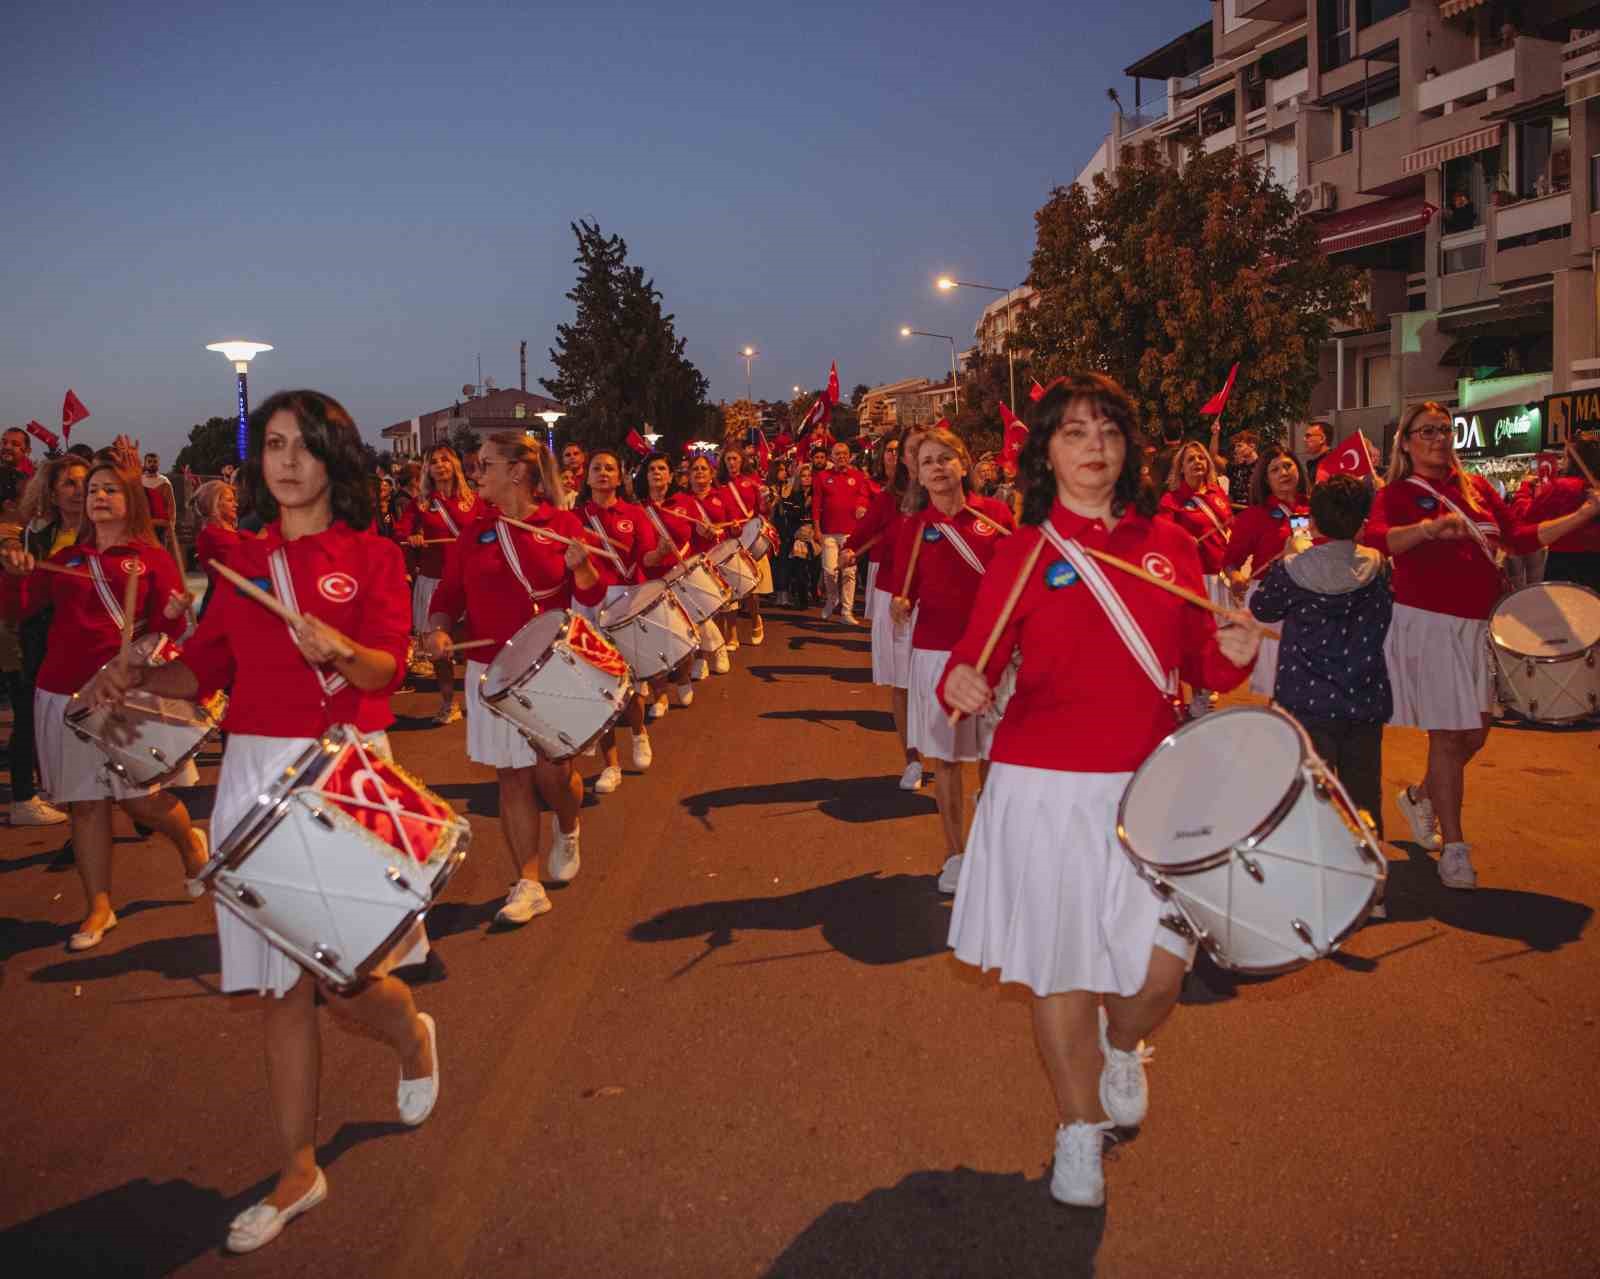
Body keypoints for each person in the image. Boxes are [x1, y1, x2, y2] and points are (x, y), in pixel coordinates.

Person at [84, 389, 439, 1253]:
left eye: (305, 446)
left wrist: (340, 650)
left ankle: (411, 1033)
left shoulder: (374, 553)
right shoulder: (239, 567)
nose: (286, 460)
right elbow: (200, 675)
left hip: (346, 769)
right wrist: (131, 677)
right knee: (280, 989)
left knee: (344, 980)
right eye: (275, 444)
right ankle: (299, 1167)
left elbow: (387, 667)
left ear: (333, 461)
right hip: (251, 774)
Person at [938, 373, 1262, 1208]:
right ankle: (1076, 1126)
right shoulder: (1023, 550)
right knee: (1059, 966)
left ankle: (1124, 1045)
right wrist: (962, 686)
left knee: (1160, 971)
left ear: (1129, 448)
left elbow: (1203, 667)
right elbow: (968, 660)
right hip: (1041, 786)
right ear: (1045, 451)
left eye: (1110, 432)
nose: (1095, 448)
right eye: (1076, 433)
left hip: (1152, 786)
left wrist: (1234, 648)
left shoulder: (1174, 544)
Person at [1364, 402, 1599, 889]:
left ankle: (1422, 796)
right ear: (1405, 442)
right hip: (1428, 624)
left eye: (1444, 430)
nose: (1437, 438)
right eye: (1426, 431)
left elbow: (1518, 538)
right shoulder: (1398, 492)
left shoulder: (1475, 489)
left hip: (1479, 625)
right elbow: (1377, 538)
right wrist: (1427, 530)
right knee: (1449, 736)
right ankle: (1455, 848)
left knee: (1476, 733)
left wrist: (1585, 514)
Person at [1, 458, 208, 949]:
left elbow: (169, 632)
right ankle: (99, 905)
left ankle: (189, 844)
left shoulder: (151, 558)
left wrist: (177, 614)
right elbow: (16, 608)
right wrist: (13, 573)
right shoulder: (68, 558)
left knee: (141, 800)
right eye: (93, 489)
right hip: (63, 693)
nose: (98, 496)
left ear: (129, 499)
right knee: (86, 806)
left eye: (111, 489)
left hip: (124, 693)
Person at [424, 432, 597, 922]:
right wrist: (437, 630)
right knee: (513, 775)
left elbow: (590, 596)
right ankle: (527, 882)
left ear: (517, 472)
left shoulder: (560, 523)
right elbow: (448, 597)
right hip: (492, 669)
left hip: (552, 666)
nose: (476, 475)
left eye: (486, 465)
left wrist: (582, 571)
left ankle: (568, 823)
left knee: (554, 774)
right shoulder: (472, 530)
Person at [889, 426, 1014, 893]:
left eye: (946, 458)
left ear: (964, 464)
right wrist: (901, 607)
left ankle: (989, 846)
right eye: (927, 462)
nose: (938, 468)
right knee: (946, 760)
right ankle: (955, 855)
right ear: (917, 475)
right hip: (938, 654)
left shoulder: (998, 516)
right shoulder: (915, 529)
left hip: (993, 653)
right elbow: (906, 590)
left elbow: (1019, 578)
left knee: (993, 757)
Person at [1249, 474, 1393, 845]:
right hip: (1363, 697)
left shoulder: (1292, 569)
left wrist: (1292, 553)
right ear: (1363, 520)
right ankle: (1372, 887)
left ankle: (1319, 882)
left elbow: (1262, 608)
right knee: (1363, 795)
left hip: (1304, 699)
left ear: (1312, 520)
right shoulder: (1379, 567)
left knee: (1309, 794)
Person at [2, 455, 89, 828]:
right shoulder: (35, 536)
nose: (78, 491)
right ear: (52, 493)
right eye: (68, 483)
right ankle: (30, 798)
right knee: (33, 724)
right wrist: (17, 575)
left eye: (84, 482)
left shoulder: (104, 532)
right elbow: (21, 601)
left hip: (90, 649)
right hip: (41, 645)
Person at [574, 447, 662, 792]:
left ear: (619, 476)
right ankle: (612, 766)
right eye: (597, 468)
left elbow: (649, 558)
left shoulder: (634, 514)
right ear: (587, 475)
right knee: (599, 688)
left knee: (629, 684)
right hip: (587, 604)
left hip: (626, 601)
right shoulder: (575, 516)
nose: (603, 473)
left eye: (610, 468)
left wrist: (663, 553)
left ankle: (639, 732)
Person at [844, 427, 923, 791]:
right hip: (896, 599)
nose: (919, 456)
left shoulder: (949, 498)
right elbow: (862, 533)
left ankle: (956, 757)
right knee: (903, 685)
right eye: (911, 450)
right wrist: (848, 550)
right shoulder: (888, 499)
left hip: (938, 601)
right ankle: (913, 760)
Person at [395, 445, 483, 725]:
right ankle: (448, 702)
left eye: (446, 459)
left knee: (471, 645)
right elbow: (400, 532)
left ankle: (476, 700)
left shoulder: (475, 499)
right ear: (427, 469)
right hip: (433, 581)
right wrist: (414, 538)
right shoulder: (420, 503)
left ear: (455, 464)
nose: (440, 465)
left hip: (470, 582)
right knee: (438, 650)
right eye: (434, 461)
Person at [1222, 445, 1310, 698]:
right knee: (1281, 686)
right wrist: (1235, 577)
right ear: (1265, 479)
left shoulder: (1316, 510)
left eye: (1288, 466)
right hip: (1273, 606)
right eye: (1275, 469)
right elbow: (1230, 562)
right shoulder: (1254, 516)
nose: (1283, 472)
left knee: (1309, 687)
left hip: (1313, 606)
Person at [1158, 440, 1234, 715]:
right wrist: (1182, 539)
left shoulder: (1217, 494)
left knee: (1220, 639)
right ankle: (1199, 696)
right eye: (1191, 460)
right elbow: (1162, 537)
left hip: (1220, 575)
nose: (1198, 463)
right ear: (1181, 468)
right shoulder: (1172, 500)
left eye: (1201, 459)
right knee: (1201, 640)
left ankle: (1206, 690)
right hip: (1195, 578)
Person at [635, 450, 700, 709]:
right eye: (652, 470)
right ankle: (659, 694)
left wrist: (707, 532)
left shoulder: (685, 502)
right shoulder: (638, 509)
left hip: (682, 576)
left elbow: (699, 537)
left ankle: (684, 678)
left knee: (682, 635)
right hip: (651, 579)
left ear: (671, 475)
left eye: (662, 469)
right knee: (653, 641)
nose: (657, 473)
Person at [667, 454, 737, 671]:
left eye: (703, 469)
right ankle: (707, 654)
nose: (699, 472)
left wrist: (733, 528)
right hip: (693, 562)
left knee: (713, 609)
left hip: (718, 559)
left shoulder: (722, 496)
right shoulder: (681, 500)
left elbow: (736, 528)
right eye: (695, 469)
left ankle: (708, 654)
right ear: (688, 476)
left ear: (711, 473)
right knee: (697, 612)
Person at [1518, 438, 1600, 590]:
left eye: (1564, 457)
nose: (1562, 462)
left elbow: (1526, 518)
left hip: (1565, 565)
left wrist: (1525, 489)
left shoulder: (1562, 487)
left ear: (1573, 460)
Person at [814, 440, 876, 623]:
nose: (841, 457)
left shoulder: (858, 477)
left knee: (849, 573)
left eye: (844, 454)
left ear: (849, 457)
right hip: (828, 533)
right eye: (837, 454)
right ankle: (832, 599)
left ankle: (847, 611)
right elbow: (816, 505)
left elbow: (865, 497)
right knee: (829, 570)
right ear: (832, 457)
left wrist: (862, 508)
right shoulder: (822, 477)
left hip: (851, 533)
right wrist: (817, 529)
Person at [716, 444, 771, 646]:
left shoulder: (753, 480)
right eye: (728, 459)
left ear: (742, 461)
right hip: (729, 539)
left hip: (751, 537)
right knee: (731, 588)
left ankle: (756, 619)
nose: (731, 462)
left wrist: (765, 504)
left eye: (735, 459)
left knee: (753, 588)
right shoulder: (718, 484)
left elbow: (763, 509)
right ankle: (732, 635)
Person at [191, 478, 245, 608]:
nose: (235, 504)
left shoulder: (233, 532)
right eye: (229, 500)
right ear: (214, 503)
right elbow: (237, 565)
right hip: (223, 604)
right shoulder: (211, 535)